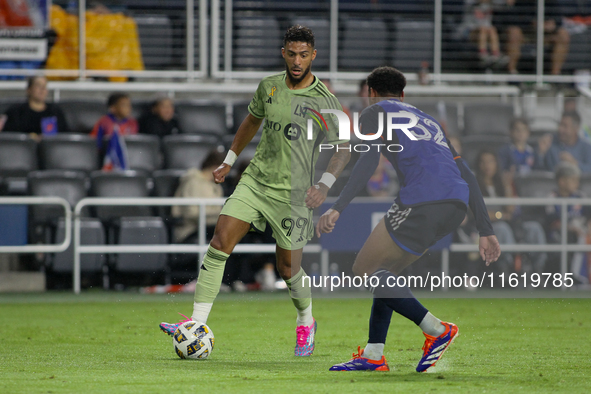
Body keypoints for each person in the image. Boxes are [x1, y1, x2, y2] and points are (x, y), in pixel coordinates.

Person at [159, 25, 351, 357]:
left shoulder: (325, 101)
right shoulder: (269, 87)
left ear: (313, 56)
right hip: (256, 181)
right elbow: (251, 121)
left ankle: (306, 319)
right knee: (219, 242)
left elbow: (343, 149)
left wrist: (324, 185)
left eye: (303, 54)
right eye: (291, 53)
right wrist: (230, 160)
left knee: (288, 269)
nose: (297, 60)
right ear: (283, 53)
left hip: (295, 196)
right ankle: (195, 323)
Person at [317, 66, 500, 372]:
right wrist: (485, 227)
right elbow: (466, 172)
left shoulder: (374, 111)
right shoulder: (428, 119)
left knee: (364, 269)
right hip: (455, 204)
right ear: (403, 95)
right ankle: (374, 356)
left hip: (423, 200)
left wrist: (338, 206)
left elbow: (369, 158)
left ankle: (437, 330)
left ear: (370, 94)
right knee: (384, 273)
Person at [475, 149, 547, 275]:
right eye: (483, 162)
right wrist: (500, 215)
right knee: (502, 229)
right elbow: (479, 213)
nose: (487, 166)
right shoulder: (473, 185)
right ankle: (509, 270)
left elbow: (510, 209)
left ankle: (538, 270)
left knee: (534, 228)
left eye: (490, 161)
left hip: (510, 223)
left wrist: (507, 185)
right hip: (489, 228)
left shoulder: (502, 184)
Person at [499, 0, 570, 75]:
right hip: (525, 33)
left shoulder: (551, 2)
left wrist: (553, 24)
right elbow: (514, 17)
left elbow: (559, 18)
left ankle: (555, 75)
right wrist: (532, 22)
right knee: (514, 33)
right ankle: (511, 72)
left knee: (563, 35)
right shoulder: (522, 2)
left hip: (545, 35)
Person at [545, 162, 589, 284]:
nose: (577, 184)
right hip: (561, 234)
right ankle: (574, 276)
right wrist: (571, 228)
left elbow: (589, 216)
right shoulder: (552, 197)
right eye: (573, 180)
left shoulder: (580, 196)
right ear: (562, 181)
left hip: (582, 232)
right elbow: (552, 222)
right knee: (569, 238)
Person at [172, 150, 225, 244]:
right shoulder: (192, 182)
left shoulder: (217, 187)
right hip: (190, 231)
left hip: (209, 230)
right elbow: (191, 213)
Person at [2, 76, 69, 138]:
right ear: (29, 89)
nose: (42, 89)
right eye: (38, 85)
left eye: (44, 86)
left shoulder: (55, 112)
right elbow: (10, 137)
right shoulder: (16, 112)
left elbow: (64, 137)